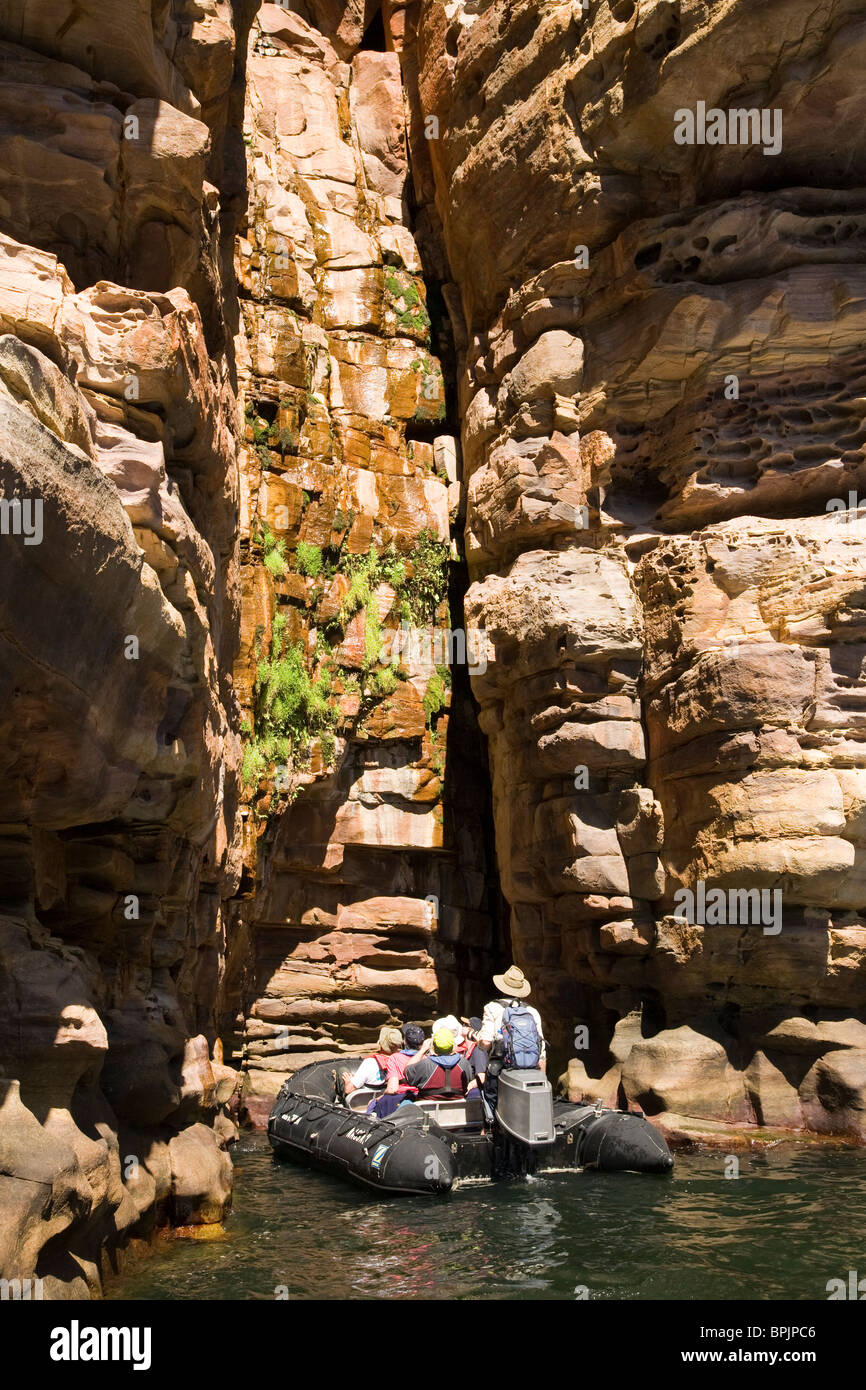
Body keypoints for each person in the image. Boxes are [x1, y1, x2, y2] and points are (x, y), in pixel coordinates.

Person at [471, 965, 546, 1115]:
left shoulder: (492, 1007)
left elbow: (485, 1043)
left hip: (500, 1068)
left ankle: (490, 1128)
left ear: (502, 987)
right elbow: (541, 1049)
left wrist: (477, 1038)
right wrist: (542, 1078)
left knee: (492, 1105)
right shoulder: (532, 1011)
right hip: (530, 1070)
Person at [368, 1024, 425, 1118]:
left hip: (401, 1099)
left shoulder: (395, 1058)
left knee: (372, 1104)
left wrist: (379, 1098)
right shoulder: (427, 1059)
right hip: (420, 1098)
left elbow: (392, 1089)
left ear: (405, 1042)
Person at [404, 1027, 477, 1098]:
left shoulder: (424, 1065)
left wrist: (422, 1050)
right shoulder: (464, 1064)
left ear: (433, 1046)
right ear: (453, 1045)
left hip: (427, 1107)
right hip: (459, 1107)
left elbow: (407, 1073)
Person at [340, 1026, 403, 1098]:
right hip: (385, 1097)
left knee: (342, 1070)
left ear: (380, 1043)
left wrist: (348, 1081)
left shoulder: (370, 1063)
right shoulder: (401, 1062)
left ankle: (339, 1099)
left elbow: (348, 1090)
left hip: (363, 1102)